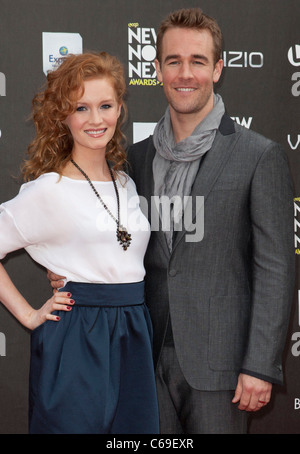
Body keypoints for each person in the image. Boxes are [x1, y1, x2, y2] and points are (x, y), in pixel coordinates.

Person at [49, 8, 295, 434]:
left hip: (223, 368)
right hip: (143, 355)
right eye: (173, 61)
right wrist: (68, 271)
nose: (186, 73)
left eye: (198, 61)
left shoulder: (259, 156)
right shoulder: (134, 160)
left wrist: (260, 365)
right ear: (158, 68)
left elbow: (275, 267)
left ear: (217, 68)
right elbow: (110, 239)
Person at [0, 51, 159, 434]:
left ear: (120, 109)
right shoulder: (47, 191)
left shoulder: (126, 183)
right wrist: (27, 315)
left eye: (105, 105)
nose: (95, 119)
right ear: (63, 115)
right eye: (81, 108)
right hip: (76, 338)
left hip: (133, 333)